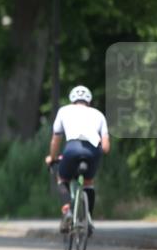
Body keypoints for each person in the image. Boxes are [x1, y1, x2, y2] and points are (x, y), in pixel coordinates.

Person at [44, 85, 110, 236]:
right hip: (93, 151)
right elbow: (105, 147)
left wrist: (52, 158)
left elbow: (56, 140)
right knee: (88, 183)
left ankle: (67, 211)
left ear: (72, 100)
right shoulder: (99, 115)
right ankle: (88, 221)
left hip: (72, 149)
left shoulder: (64, 111)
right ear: (89, 101)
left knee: (62, 178)